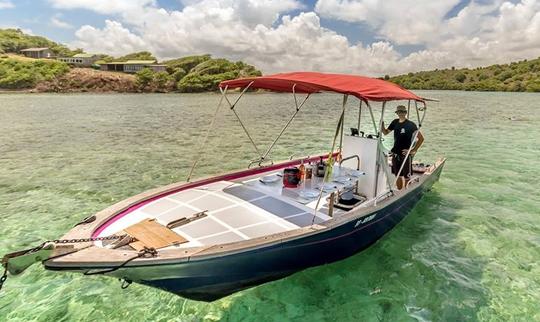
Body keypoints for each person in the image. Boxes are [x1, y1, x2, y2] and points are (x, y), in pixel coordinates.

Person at [382, 105, 424, 189]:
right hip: (395, 154)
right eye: (399, 112)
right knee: (397, 175)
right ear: (397, 113)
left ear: (405, 113)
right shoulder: (395, 122)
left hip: (405, 154)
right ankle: (400, 191)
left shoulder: (411, 125)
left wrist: (413, 150)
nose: (401, 113)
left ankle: (406, 191)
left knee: (406, 176)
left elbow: (421, 139)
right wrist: (382, 126)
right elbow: (385, 132)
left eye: (403, 112)